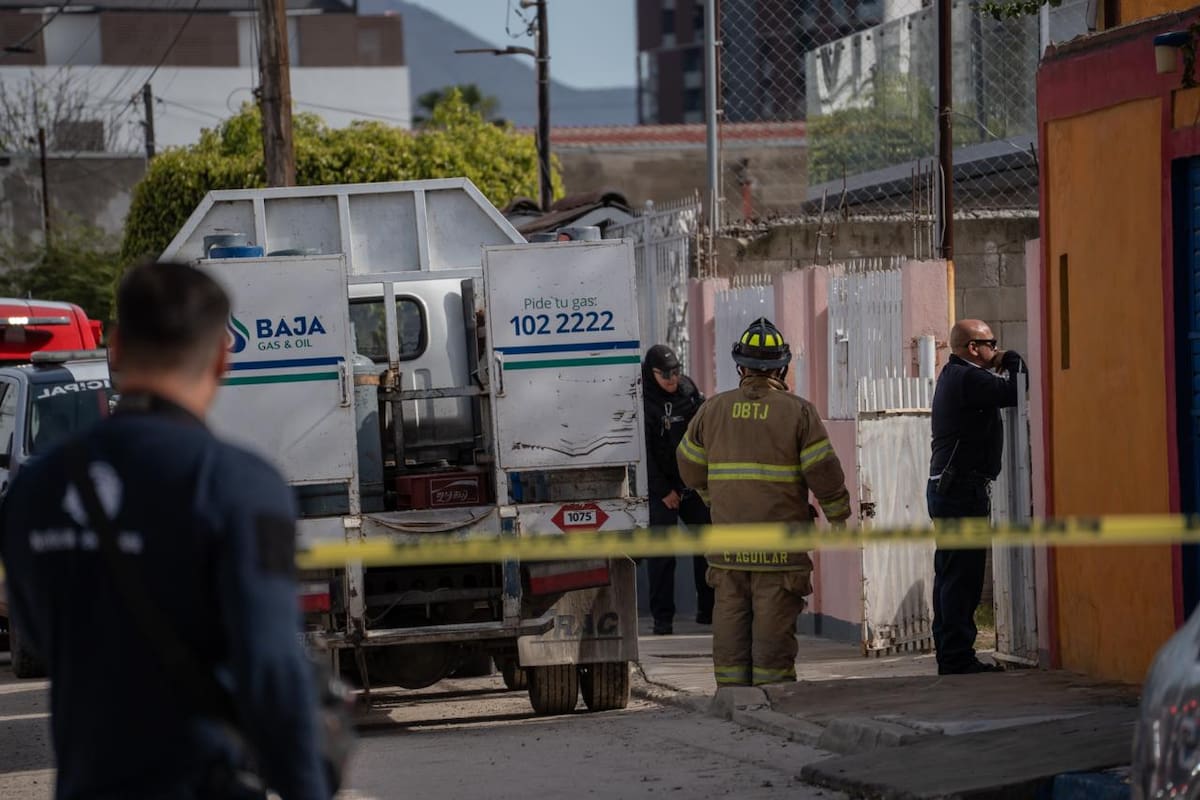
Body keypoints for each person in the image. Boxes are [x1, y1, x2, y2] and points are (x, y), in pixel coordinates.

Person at [0, 261, 331, 799]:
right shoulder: (241, 485)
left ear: (115, 345)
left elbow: (36, 631)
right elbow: (271, 669)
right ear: (223, 357)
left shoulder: (37, 489)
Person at [676, 318, 851, 687]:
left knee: (730, 620)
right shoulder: (799, 412)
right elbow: (824, 472)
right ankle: (773, 700)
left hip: (729, 548)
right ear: (781, 367)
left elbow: (689, 467)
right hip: (779, 551)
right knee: (773, 629)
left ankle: (731, 696)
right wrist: (838, 515)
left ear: (741, 366)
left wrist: (712, 497)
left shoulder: (712, 410)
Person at [928, 318, 1025, 675]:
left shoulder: (956, 375)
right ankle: (956, 657)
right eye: (991, 343)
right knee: (962, 576)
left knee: (952, 573)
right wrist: (1012, 360)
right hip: (960, 490)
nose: (994, 349)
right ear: (973, 348)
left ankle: (951, 652)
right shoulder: (968, 377)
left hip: (951, 487)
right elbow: (1016, 390)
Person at [642, 344, 714, 635]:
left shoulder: (687, 391)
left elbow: (702, 434)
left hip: (690, 482)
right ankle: (662, 620)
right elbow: (644, 452)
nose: (672, 379)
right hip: (660, 486)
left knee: (708, 541)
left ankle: (708, 611)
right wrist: (663, 491)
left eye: (676, 371)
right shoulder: (643, 399)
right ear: (652, 373)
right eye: (666, 374)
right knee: (662, 554)